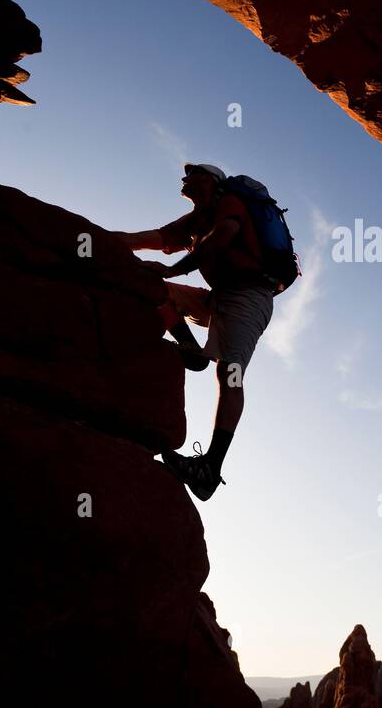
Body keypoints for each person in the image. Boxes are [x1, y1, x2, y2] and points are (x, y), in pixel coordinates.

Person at [114, 163, 274, 501]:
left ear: (212, 182)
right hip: (219, 298)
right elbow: (141, 240)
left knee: (230, 372)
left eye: (194, 173)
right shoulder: (193, 223)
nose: (185, 177)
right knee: (153, 286)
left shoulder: (229, 203)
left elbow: (224, 237)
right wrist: (92, 239)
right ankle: (190, 349)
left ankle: (209, 471)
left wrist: (174, 268)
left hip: (249, 295)